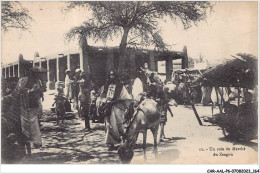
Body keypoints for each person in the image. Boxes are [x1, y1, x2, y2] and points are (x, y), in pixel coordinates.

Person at [11, 66, 45, 156]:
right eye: (36, 74)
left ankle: (30, 150)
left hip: (32, 109)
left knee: (32, 129)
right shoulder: (23, 81)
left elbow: (39, 97)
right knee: (24, 130)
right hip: (23, 108)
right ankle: (27, 151)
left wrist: (39, 109)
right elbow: (16, 93)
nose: (37, 76)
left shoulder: (37, 82)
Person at [102, 70, 132, 151]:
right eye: (110, 75)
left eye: (113, 75)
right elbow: (106, 96)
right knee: (109, 125)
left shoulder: (120, 86)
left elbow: (127, 97)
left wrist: (116, 102)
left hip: (117, 108)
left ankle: (122, 142)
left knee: (119, 124)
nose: (111, 77)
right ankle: (111, 143)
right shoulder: (108, 85)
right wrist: (105, 101)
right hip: (109, 108)